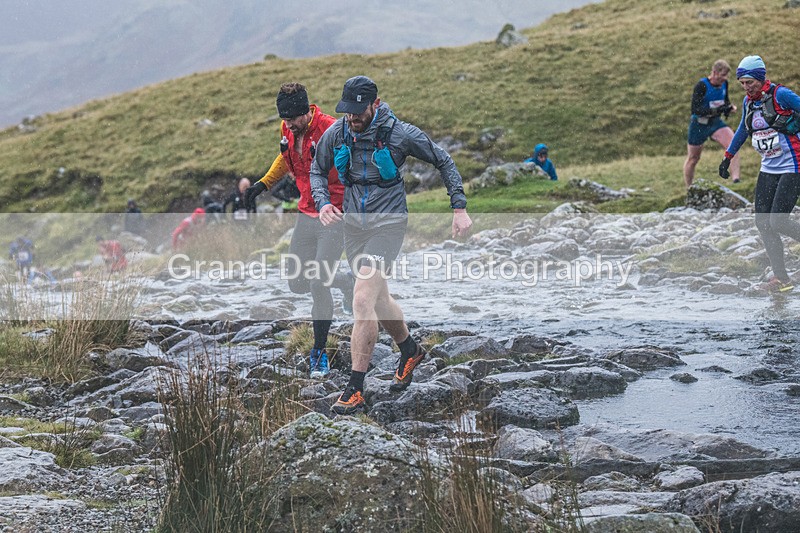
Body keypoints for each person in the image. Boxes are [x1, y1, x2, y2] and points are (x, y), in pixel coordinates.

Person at [310, 75, 472, 415]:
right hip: (354, 228)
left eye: (358, 111)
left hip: (389, 224)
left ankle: (355, 388)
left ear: (375, 104)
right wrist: (324, 201)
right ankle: (410, 349)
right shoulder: (337, 134)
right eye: (347, 111)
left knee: (362, 297)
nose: (352, 118)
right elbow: (317, 170)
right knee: (380, 299)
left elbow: (444, 160)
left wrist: (459, 207)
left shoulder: (400, 133)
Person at [244, 82, 355, 378]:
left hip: (334, 213)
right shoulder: (287, 128)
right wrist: (263, 184)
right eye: (285, 119)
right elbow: (286, 157)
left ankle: (320, 352)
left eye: (293, 119)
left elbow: (355, 166)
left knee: (319, 282)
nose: (289, 125)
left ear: (307, 111)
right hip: (306, 212)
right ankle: (345, 281)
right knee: (296, 282)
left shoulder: (333, 129)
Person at [719, 55, 800, 293]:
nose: (746, 87)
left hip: (793, 166)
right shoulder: (748, 103)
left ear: (760, 78)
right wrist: (728, 157)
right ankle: (782, 279)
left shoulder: (781, 95)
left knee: (779, 220)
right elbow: (743, 130)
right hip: (769, 168)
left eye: (749, 82)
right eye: (742, 83)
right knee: (763, 222)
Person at [684, 59, 740, 187]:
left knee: (733, 144)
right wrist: (717, 110)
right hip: (699, 125)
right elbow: (696, 109)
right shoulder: (701, 86)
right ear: (714, 73)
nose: (724, 78)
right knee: (693, 158)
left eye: (726, 75)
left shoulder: (725, 84)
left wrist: (729, 108)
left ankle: (736, 180)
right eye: (722, 75)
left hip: (715, 123)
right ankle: (689, 188)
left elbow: (725, 101)